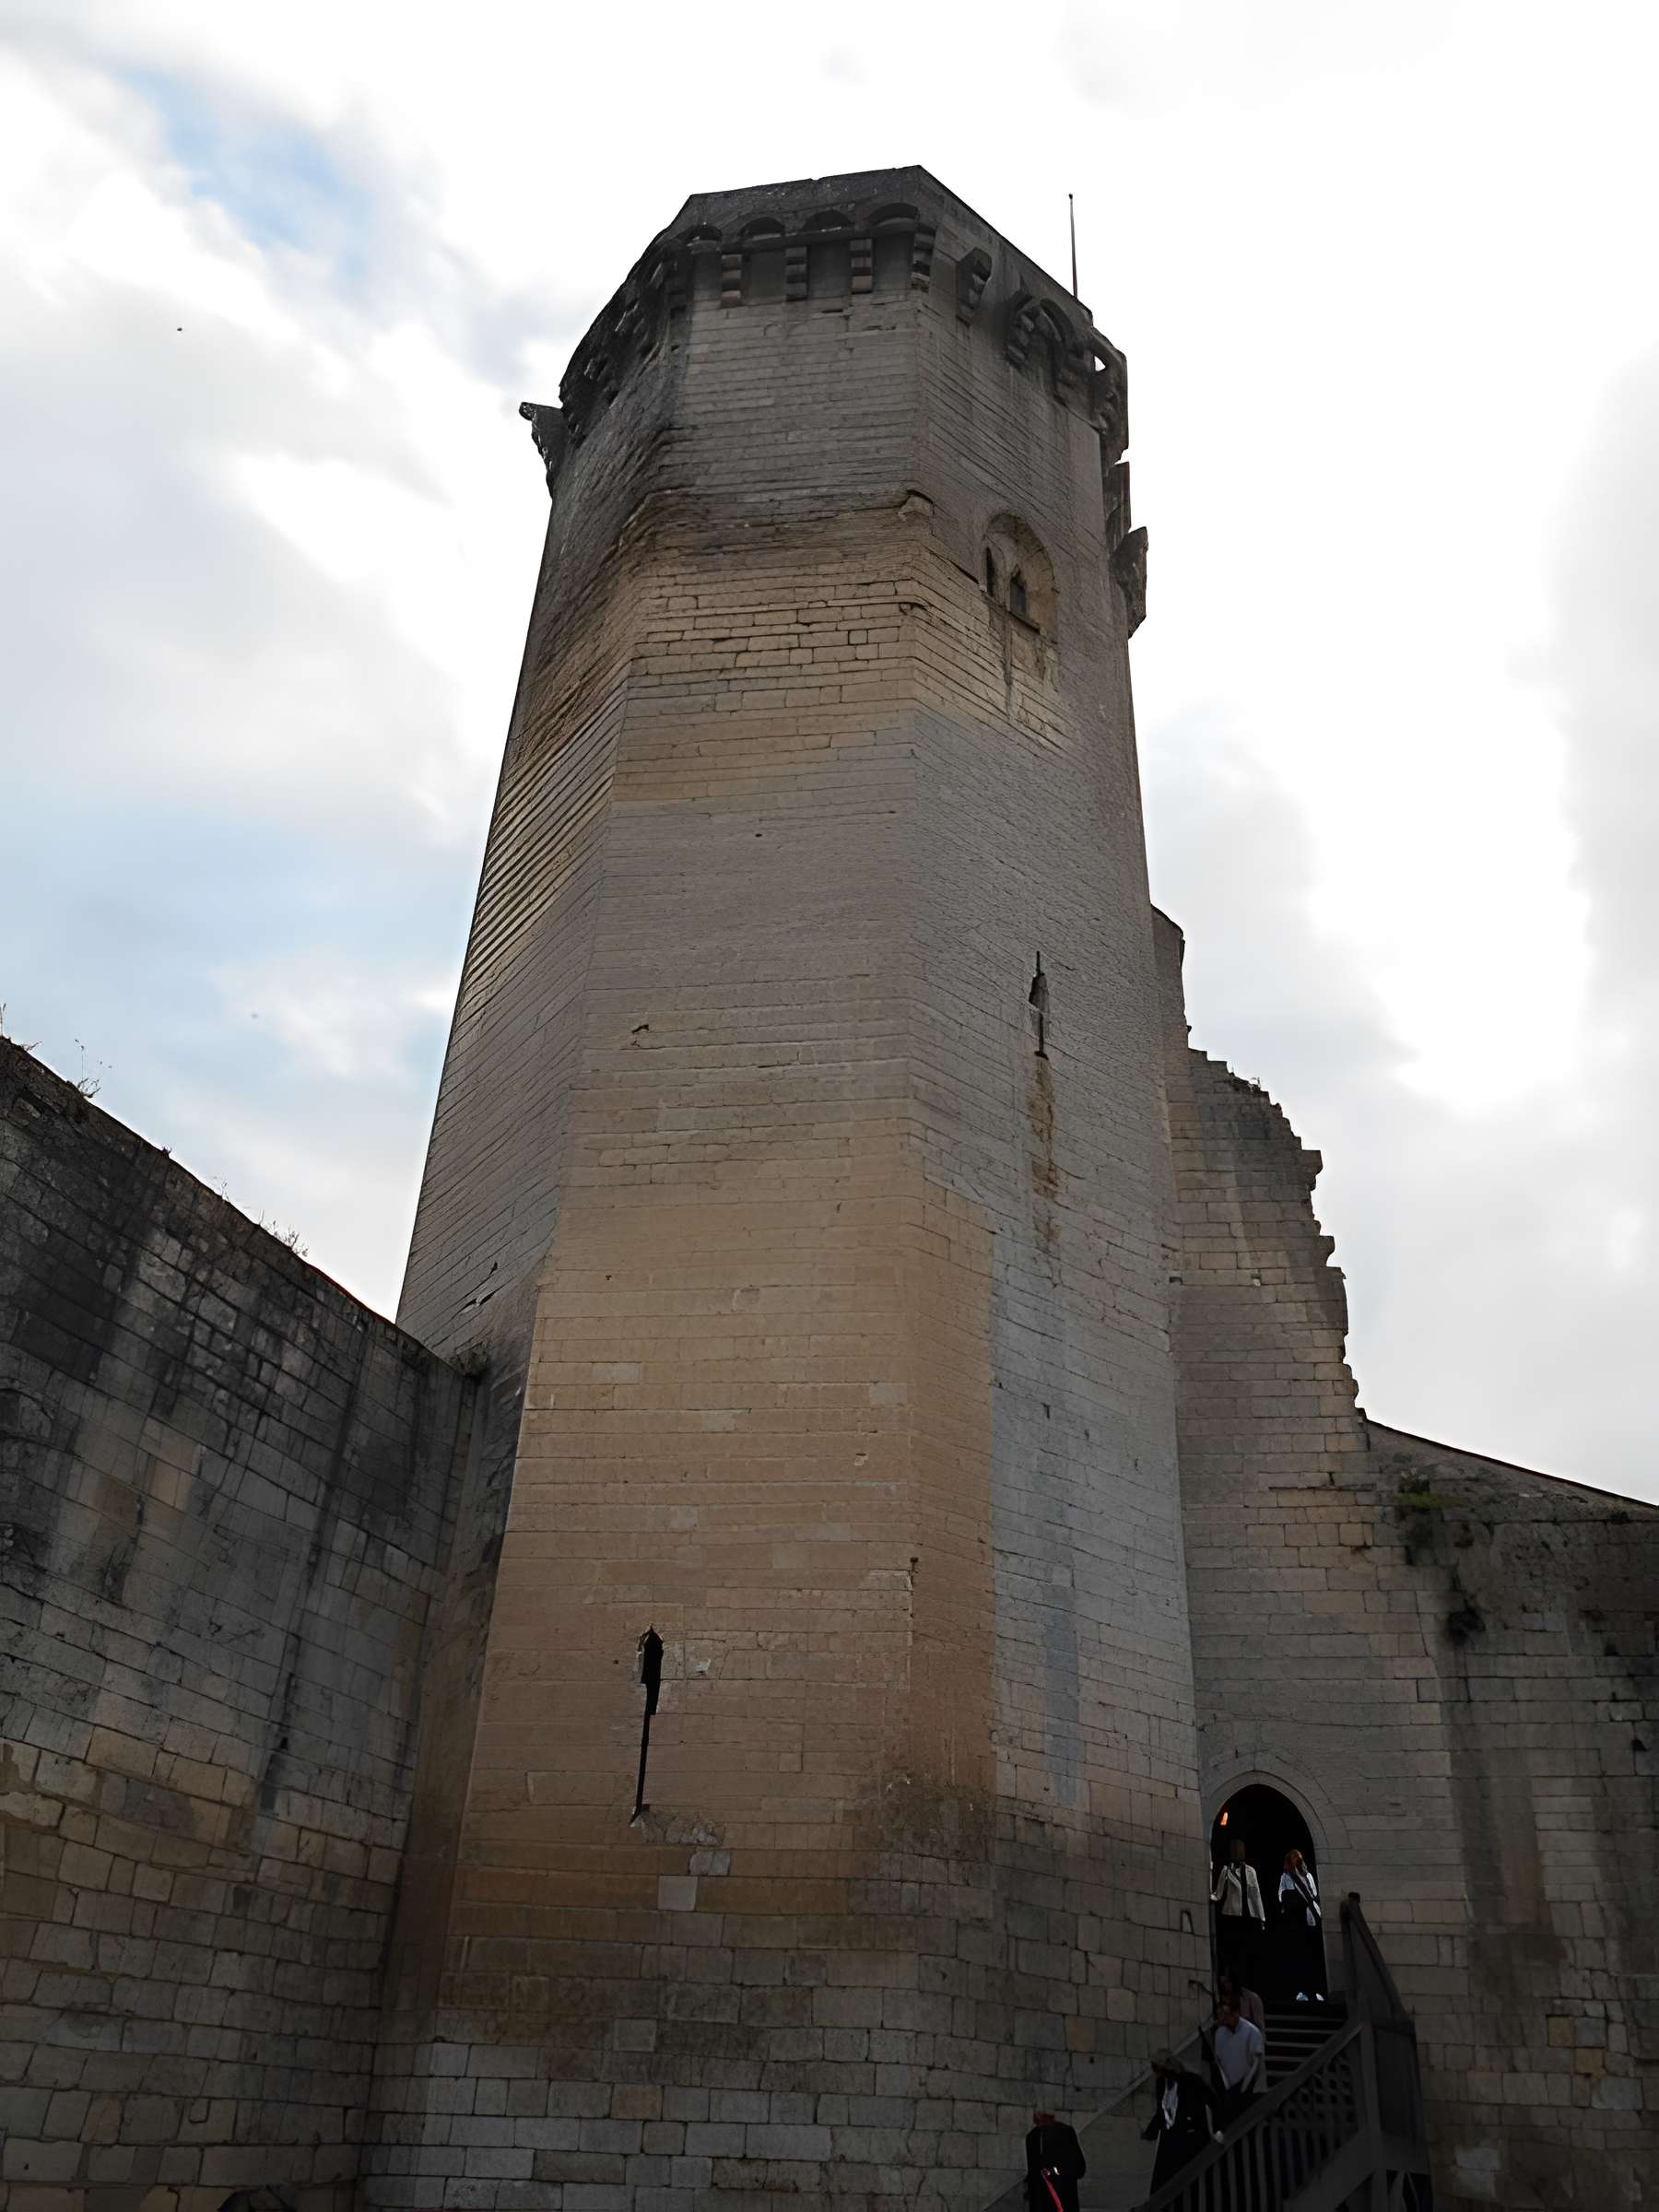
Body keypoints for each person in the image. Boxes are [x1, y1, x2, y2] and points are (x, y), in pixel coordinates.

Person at [1141, 2052, 1222, 2193]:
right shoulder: (1161, 2084)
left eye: (1156, 2068)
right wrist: (1149, 2132)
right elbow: (1162, 2111)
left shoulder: (1192, 2081)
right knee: (1164, 2179)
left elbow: (1213, 2101)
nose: (1155, 2073)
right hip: (1171, 2136)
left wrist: (1218, 2129)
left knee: (1189, 2177)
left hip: (1191, 2135)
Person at [1211, 1835, 1265, 1985]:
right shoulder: (1226, 1870)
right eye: (1235, 1850)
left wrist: (1261, 1917)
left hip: (1248, 1916)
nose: (1237, 1853)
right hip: (1232, 1915)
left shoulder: (1251, 1871)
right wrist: (1211, 1896)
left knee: (1247, 1952)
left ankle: (1247, 1982)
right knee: (1232, 1951)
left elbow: (1256, 1895)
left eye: (1239, 1850)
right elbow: (1219, 1893)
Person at [1277, 1848, 1324, 2000]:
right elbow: (1282, 1895)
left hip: (1311, 1918)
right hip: (1296, 1921)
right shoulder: (1286, 1877)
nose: (1298, 1861)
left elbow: (1314, 1893)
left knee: (1314, 1954)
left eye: (1299, 1858)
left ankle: (1316, 1989)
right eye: (1295, 1859)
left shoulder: (1308, 1875)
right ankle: (1301, 1990)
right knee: (1300, 1955)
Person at [1211, 1998, 1265, 2128]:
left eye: (1225, 2014)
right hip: (1227, 2088)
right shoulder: (1220, 2033)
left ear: (1235, 2013)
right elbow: (1218, 2061)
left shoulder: (1252, 2032)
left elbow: (1255, 2065)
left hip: (1246, 2087)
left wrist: (1244, 2089)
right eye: (1220, 2014)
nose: (1222, 2018)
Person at [1024, 2110, 1086, 2212]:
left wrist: (1054, 2170)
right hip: (1047, 2200)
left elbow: (1078, 2168)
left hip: (1058, 2199)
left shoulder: (1064, 2132)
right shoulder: (1033, 2137)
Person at [1216, 1971, 1265, 2047]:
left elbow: (1259, 2026)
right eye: (1223, 1984)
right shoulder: (1223, 1999)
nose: (1226, 1986)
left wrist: (1239, 2020)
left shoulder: (1252, 1998)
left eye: (1227, 1982)